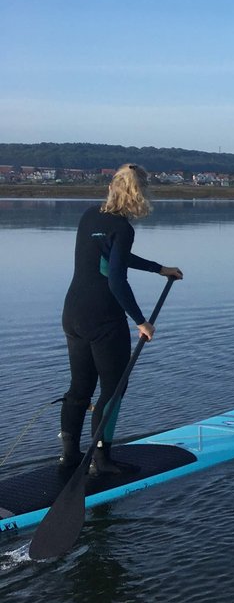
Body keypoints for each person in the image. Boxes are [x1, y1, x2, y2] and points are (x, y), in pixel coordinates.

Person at [58, 164, 183, 475]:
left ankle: (69, 456)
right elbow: (116, 278)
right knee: (114, 389)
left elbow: (113, 257)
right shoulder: (123, 228)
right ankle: (102, 460)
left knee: (80, 388)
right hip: (103, 319)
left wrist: (158, 268)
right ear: (138, 194)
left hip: (73, 314)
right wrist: (141, 321)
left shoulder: (90, 216)